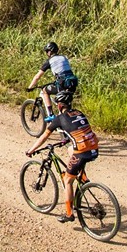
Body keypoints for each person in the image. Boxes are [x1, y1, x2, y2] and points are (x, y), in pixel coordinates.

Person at [25, 90, 100, 222]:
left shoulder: (58, 119)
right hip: (94, 148)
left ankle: (69, 214)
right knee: (71, 149)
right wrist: (68, 140)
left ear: (59, 106)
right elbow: (78, 130)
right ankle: (82, 177)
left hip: (82, 152)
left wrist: (31, 150)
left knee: (67, 180)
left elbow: (43, 137)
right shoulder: (79, 113)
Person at [27, 41, 78, 117]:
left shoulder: (49, 61)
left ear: (50, 52)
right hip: (72, 82)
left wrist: (30, 87)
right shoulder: (64, 57)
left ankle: (51, 115)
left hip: (62, 83)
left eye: (47, 51)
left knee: (45, 90)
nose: (47, 53)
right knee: (64, 101)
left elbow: (37, 76)